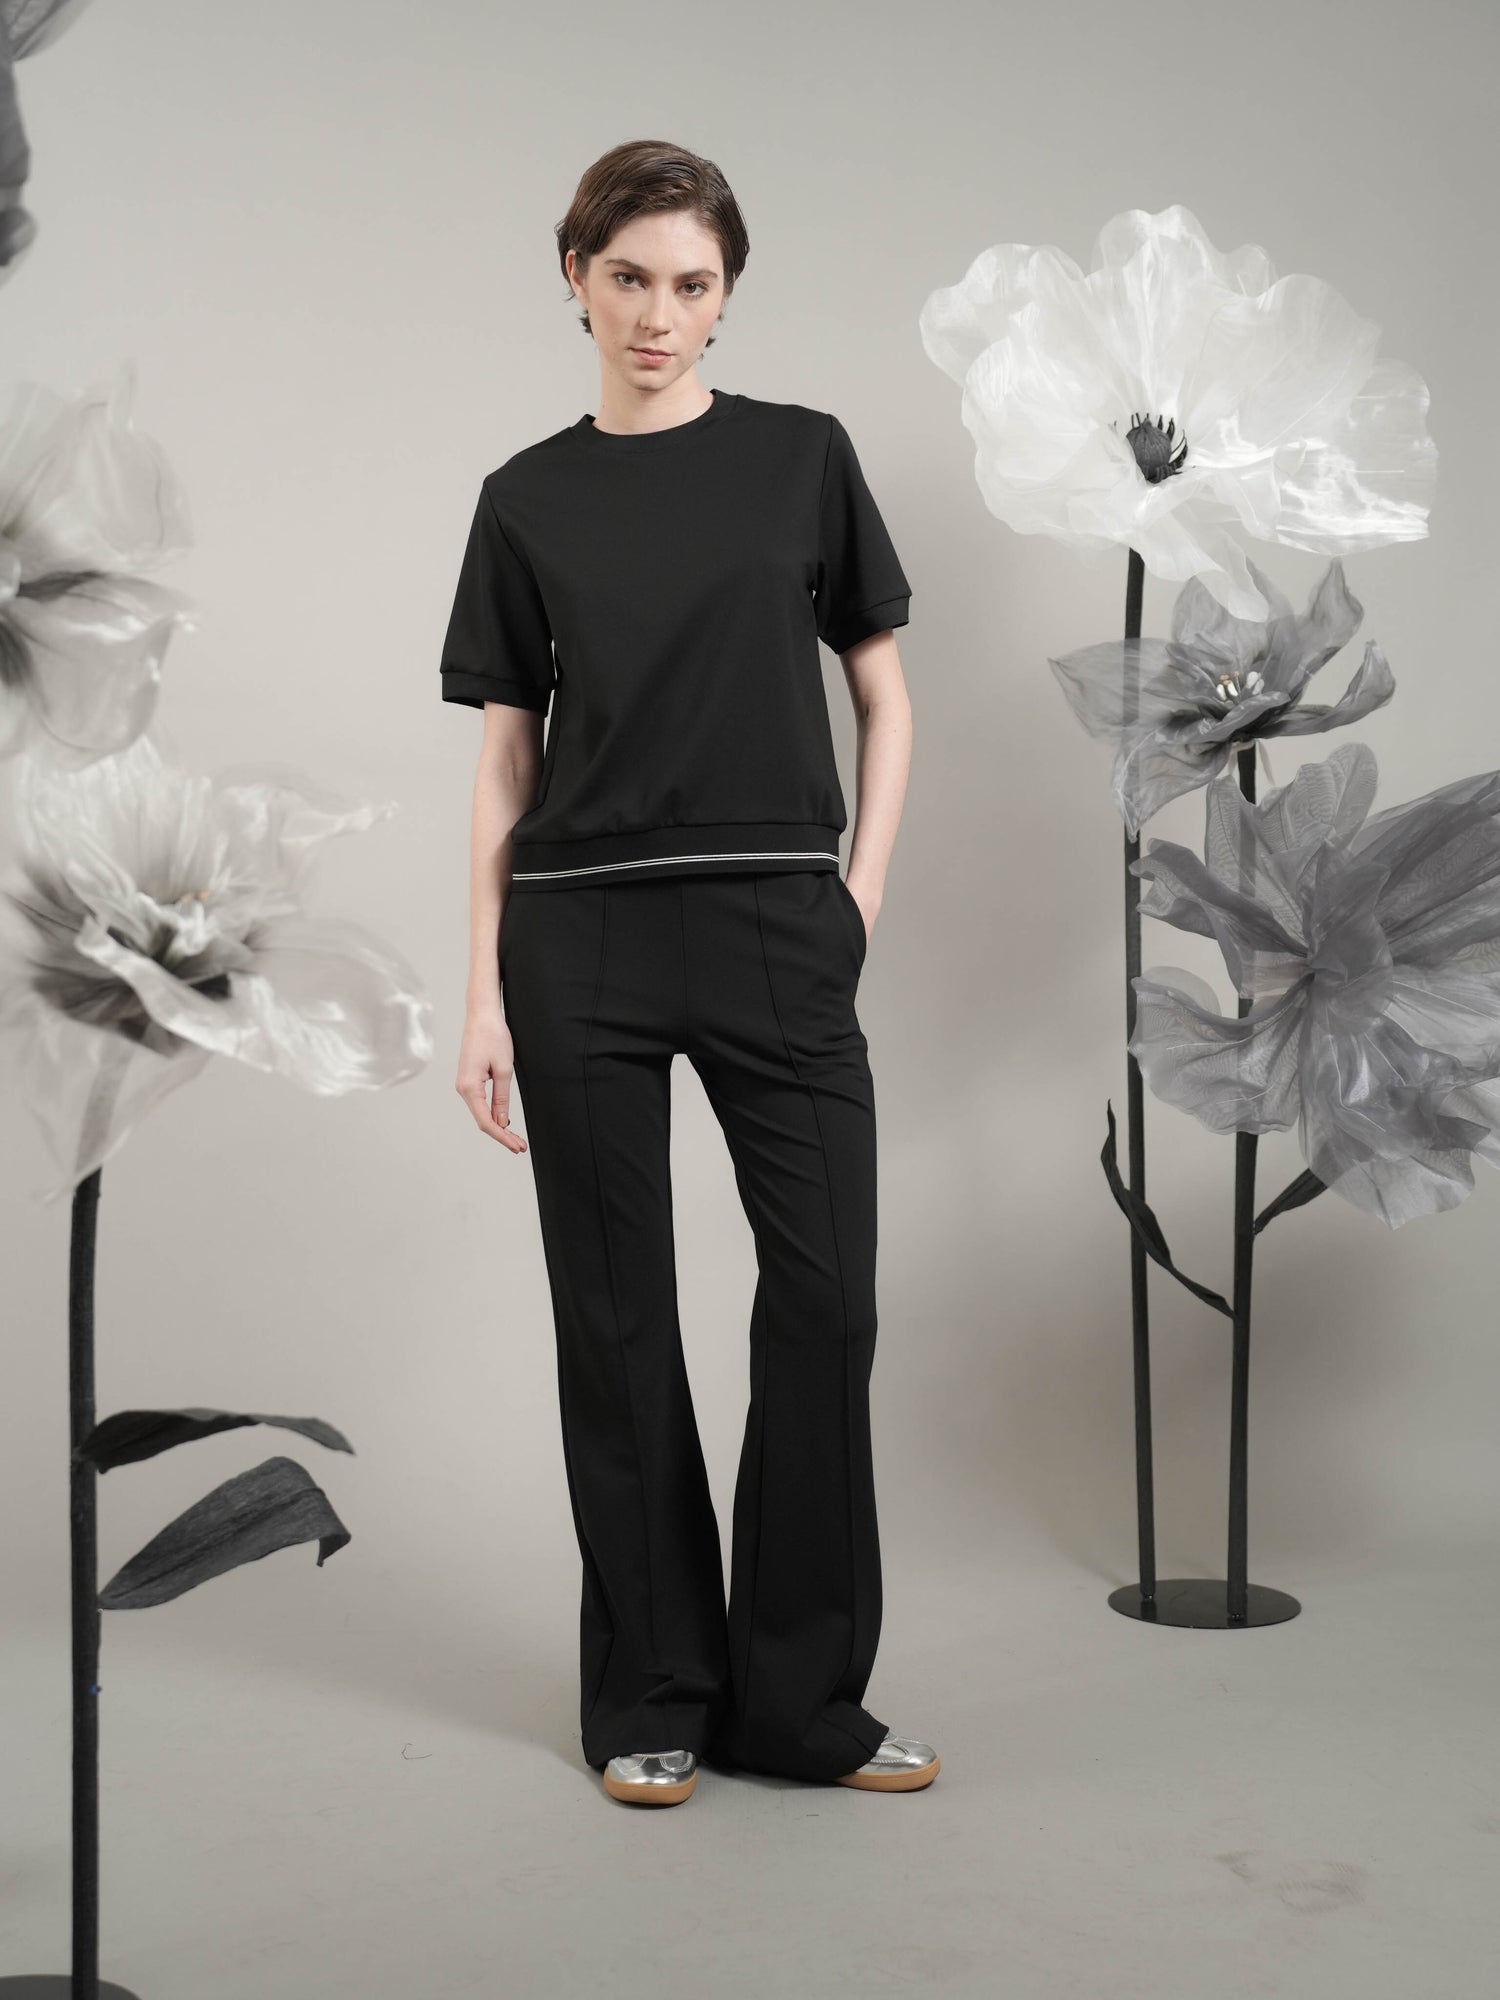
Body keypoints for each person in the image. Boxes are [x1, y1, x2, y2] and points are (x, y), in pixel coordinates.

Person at [440, 138, 938, 1807]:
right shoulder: (524, 498)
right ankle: (653, 1690)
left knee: (828, 1301)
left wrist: (856, 900)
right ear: (575, 278)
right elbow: (505, 763)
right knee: (615, 1322)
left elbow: (884, 695)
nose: (659, 314)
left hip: (779, 930)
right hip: (577, 935)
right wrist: (481, 992)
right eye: (630, 278)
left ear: (728, 296)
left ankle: (798, 1706)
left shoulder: (803, 459)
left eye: (692, 283)